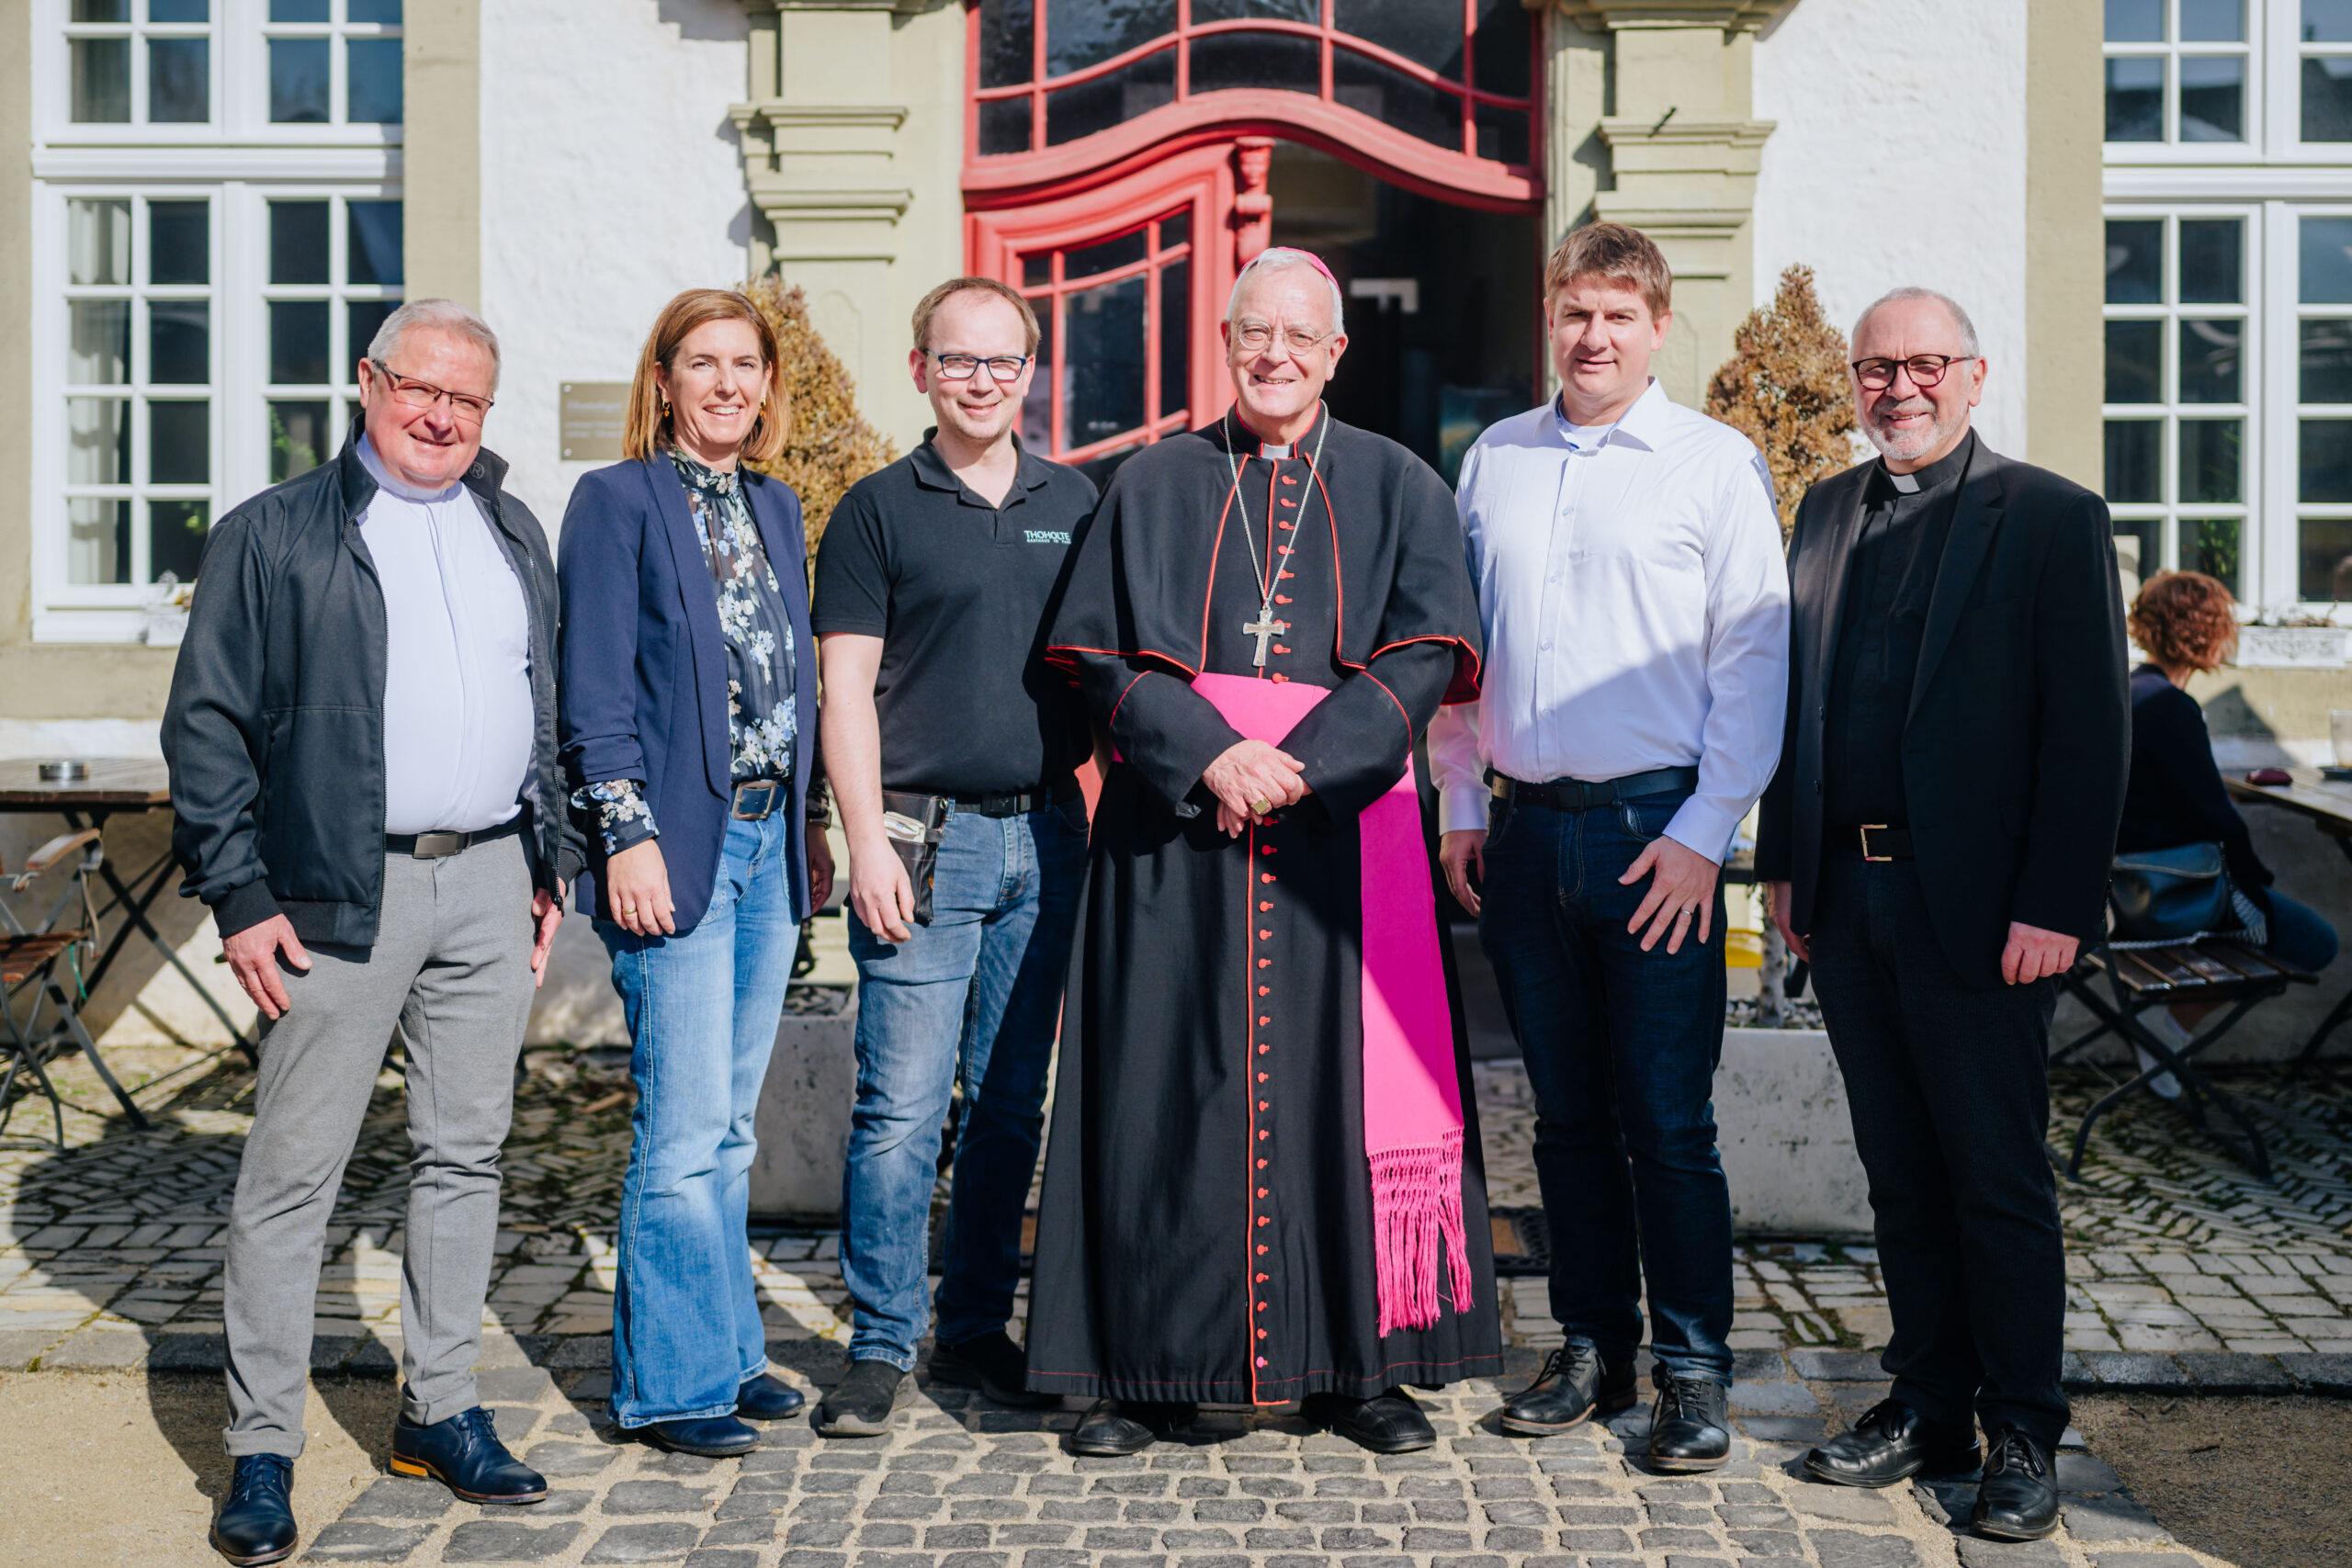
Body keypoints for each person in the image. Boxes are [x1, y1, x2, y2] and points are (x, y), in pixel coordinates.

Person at [1025, 247, 1498, 1455]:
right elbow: (1102, 657)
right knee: (1162, 1092)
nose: (1274, 355)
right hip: (1176, 838)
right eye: (1253, 334)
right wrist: (1213, 752)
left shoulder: (1401, 482)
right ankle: (1145, 1370)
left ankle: (1361, 1368)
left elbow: (1426, 653)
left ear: (1336, 352)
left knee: (1346, 1095)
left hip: (1343, 838)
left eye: (1300, 336)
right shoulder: (1150, 481)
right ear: (1224, 345)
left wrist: (1305, 762)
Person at [164, 299, 576, 1565]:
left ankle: (438, 1408)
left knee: (465, 1154)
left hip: (489, 880)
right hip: (335, 895)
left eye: (467, 397)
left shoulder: (515, 529)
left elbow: (539, 704)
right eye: (420, 387)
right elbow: (206, 728)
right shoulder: (275, 534)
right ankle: (264, 1445)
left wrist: (546, 859)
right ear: (369, 381)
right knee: (294, 1174)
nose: (441, 414)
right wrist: (239, 896)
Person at [1758, 288, 2130, 1540]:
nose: (1897, 386)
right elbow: (1801, 706)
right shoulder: (1824, 510)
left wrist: (2055, 902)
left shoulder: (2048, 516)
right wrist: (1789, 868)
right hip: (1849, 897)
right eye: (1876, 367)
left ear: (1973, 374)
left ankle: (2024, 1425)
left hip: (1982, 910)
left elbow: (2089, 734)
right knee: (1901, 1174)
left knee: (1995, 1176)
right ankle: (1929, 1405)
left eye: (1923, 364)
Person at [1430, 222, 1790, 1471]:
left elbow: (1753, 660)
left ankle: (1692, 1365)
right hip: (1528, 838)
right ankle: (1592, 1341)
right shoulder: (1497, 461)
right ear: (1552, 316)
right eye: (1577, 314)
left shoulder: (1712, 463)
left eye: (1619, 317)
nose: (1594, 338)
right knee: (1566, 1117)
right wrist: (1462, 799)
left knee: (1667, 1118)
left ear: (1658, 325)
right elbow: (1462, 656)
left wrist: (1707, 832)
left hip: (1658, 836)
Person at [809, 277, 1096, 1436]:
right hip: (921, 847)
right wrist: (862, 834)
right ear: (921, 368)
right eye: (958, 360)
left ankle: (976, 1329)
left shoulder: (1074, 502)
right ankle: (881, 1342)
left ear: (1031, 372)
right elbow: (843, 689)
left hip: (1048, 839)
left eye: (1003, 362)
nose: (982, 380)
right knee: (900, 1112)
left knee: (1009, 1107)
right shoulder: (880, 508)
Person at [558, 288, 832, 1458]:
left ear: (769, 385)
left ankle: (725, 1354)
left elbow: (788, 688)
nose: (727, 384)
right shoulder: (616, 501)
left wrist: (812, 823)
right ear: (662, 379)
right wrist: (624, 836)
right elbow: (594, 694)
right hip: (674, 847)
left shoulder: (774, 505)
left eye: (745, 366)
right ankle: (668, 1388)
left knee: (728, 1128)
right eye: (702, 364)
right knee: (677, 1131)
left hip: (769, 845)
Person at [2120, 570, 2339, 1090]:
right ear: (2205, 632)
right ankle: (2166, 1026)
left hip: (2123, 895)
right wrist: (2256, 879)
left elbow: (2169, 791)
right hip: (2168, 898)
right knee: (2316, 941)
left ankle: (2165, 1028)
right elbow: (2218, 820)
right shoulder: (2172, 707)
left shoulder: (2129, 693)